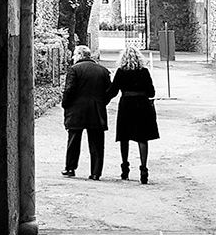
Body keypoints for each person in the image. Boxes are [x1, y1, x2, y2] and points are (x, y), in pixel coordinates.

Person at [62, 44, 117, 179]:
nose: (74, 57)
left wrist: (65, 104)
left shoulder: (74, 70)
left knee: (74, 140)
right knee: (97, 142)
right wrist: (102, 101)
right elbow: (111, 90)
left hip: (77, 109)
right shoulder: (103, 71)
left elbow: (69, 89)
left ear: (80, 55)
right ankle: (96, 172)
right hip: (96, 109)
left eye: (75, 54)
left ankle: (70, 168)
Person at [112, 48, 159, 183]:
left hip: (126, 104)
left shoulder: (121, 72)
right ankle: (143, 169)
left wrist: (102, 99)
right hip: (142, 105)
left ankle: (125, 167)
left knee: (124, 136)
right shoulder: (144, 72)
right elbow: (151, 92)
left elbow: (113, 90)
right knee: (142, 137)